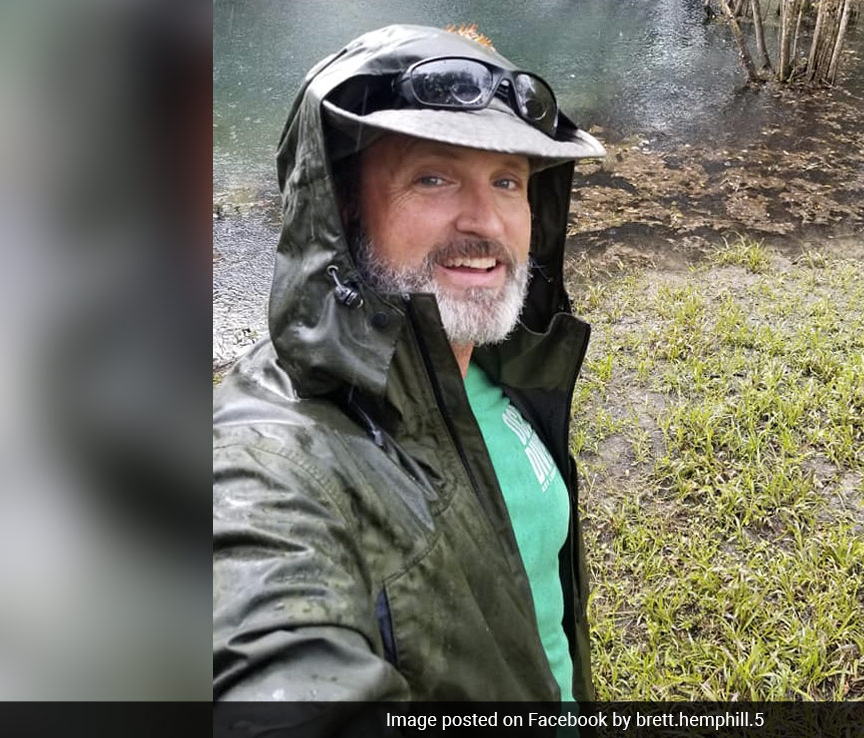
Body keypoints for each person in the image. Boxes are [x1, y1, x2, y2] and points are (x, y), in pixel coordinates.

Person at [212, 24, 605, 701]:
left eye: (507, 180)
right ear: (340, 209)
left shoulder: (499, 363)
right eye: (433, 177)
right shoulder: (273, 455)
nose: (486, 221)